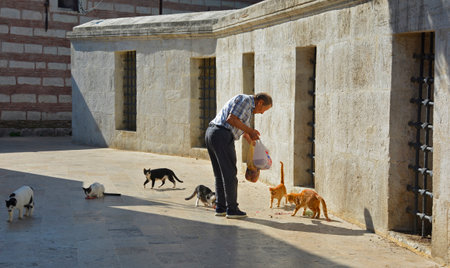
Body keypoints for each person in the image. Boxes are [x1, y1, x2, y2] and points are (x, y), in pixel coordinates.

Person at [205, 93, 272, 218]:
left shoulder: (247, 107)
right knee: (230, 174)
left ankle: (221, 208)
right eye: (264, 110)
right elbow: (231, 119)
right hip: (221, 135)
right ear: (260, 102)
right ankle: (232, 209)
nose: (262, 113)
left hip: (213, 134)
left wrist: (250, 138)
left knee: (220, 174)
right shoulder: (245, 101)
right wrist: (250, 130)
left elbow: (238, 126)